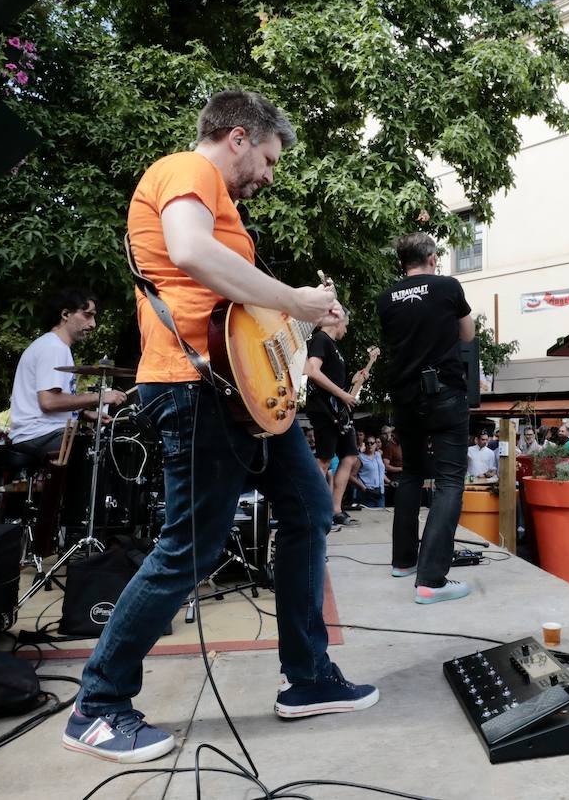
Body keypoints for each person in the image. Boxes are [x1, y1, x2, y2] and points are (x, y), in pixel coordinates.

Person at [66, 90, 376, 763]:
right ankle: (98, 705)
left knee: (309, 512)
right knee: (191, 550)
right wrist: (295, 299)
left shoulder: (224, 206)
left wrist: (299, 320)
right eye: (267, 159)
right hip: (193, 389)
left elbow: (238, 305)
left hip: (245, 396)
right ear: (238, 137)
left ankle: (310, 678)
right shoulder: (188, 169)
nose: (270, 174)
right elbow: (190, 252)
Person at [377, 231, 476, 603]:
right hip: (444, 393)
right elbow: (467, 334)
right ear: (432, 257)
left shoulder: (385, 299)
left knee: (412, 476)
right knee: (450, 481)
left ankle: (404, 561)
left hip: (405, 397)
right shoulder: (448, 287)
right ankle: (431, 580)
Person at [9, 288, 127, 457]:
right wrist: (100, 397)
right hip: (39, 435)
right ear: (66, 314)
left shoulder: (55, 346)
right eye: (87, 315)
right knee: (112, 451)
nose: (93, 324)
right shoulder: (53, 347)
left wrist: (85, 414)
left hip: (40, 433)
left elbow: (52, 401)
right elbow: (49, 402)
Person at [304, 306, 362, 529]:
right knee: (324, 459)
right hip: (324, 410)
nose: (346, 329)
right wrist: (343, 394)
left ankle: (336, 509)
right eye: (346, 324)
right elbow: (313, 371)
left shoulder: (334, 348)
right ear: (337, 320)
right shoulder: (320, 339)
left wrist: (351, 383)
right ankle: (315, 508)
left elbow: (335, 384)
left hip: (337, 412)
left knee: (349, 456)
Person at [353, 434, 386, 508]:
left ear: (375, 445)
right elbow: (351, 476)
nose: (370, 445)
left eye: (372, 443)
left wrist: (390, 481)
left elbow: (381, 472)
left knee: (381, 516)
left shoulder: (378, 455)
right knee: (369, 516)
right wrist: (363, 488)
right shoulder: (360, 457)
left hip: (380, 492)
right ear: (365, 445)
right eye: (367, 443)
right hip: (367, 493)